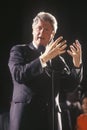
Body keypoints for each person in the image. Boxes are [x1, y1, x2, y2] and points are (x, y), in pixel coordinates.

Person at [8, 11, 83, 130]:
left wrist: (77, 64)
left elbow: (70, 86)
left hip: (51, 119)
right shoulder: (19, 51)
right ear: (33, 30)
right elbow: (19, 75)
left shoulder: (57, 59)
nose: (41, 32)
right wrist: (44, 58)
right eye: (39, 28)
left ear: (52, 34)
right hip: (25, 118)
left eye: (46, 29)